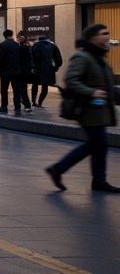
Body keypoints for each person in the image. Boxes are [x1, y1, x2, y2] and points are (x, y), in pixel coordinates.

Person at [45, 24, 120, 193]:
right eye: (103, 34)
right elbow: (71, 80)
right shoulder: (83, 57)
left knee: (99, 144)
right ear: (91, 38)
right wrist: (92, 92)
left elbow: (107, 86)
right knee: (98, 143)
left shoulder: (99, 58)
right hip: (88, 110)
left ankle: (98, 179)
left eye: (108, 33)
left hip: (99, 110)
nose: (107, 36)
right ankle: (59, 168)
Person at [0, 29, 23, 115]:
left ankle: (4, 107)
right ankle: (17, 107)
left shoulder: (2, 45)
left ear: (4, 36)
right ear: (12, 35)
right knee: (16, 89)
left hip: (5, 71)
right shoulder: (17, 45)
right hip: (16, 71)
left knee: (4, 89)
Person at [32, 34, 63, 107]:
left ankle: (33, 101)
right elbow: (58, 59)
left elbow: (30, 57)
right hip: (48, 70)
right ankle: (40, 102)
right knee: (45, 86)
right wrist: (56, 67)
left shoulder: (34, 46)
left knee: (35, 85)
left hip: (36, 69)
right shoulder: (53, 46)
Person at [17, 32, 36, 114]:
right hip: (25, 71)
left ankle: (26, 104)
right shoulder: (29, 47)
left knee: (22, 89)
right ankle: (27, 104)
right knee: (23, 88)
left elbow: (28, 60)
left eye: (21, 37)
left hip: (22, 71)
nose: (20, 38)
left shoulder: (23, 48)